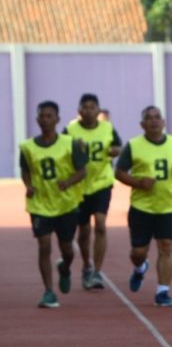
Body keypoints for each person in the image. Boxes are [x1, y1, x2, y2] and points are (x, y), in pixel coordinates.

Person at [115, 106, 172, 307]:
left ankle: (163, 291)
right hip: (142, 207)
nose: (153, 121)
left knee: (167, 247)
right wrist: (138, 183)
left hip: (168, 205)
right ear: (142, 124)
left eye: (157, 117)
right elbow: (119, 172)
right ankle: (140, 268)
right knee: (138, 252)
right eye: (148, 119)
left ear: (164, 122)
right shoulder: (133, 146)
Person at [20, 101, 87, 308]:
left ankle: (65, 268)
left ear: (57, 119)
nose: (45, 120)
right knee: (44, 245)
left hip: (65, 204)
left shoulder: (70, 143)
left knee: (67, 248)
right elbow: (25, 170)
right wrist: (29, 185)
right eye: (42, 116)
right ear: (37, 119)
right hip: (40, 204)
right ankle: (49, 291)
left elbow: (82, 171)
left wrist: (68, 182)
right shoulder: (28, 147)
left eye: (50, 116)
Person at [63, 93, 122, 289]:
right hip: (79, 185)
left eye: (92, 107)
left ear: (98, 110)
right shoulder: (70, 130)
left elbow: (117, 146)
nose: (89, 111)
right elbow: (59, 152)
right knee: (84, 229)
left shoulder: (108, 128)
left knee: (101, 224)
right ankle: (86, 265)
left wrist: (115, 151)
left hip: (101, 182)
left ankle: (97, 271)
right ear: (79, 111)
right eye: (85, 107)